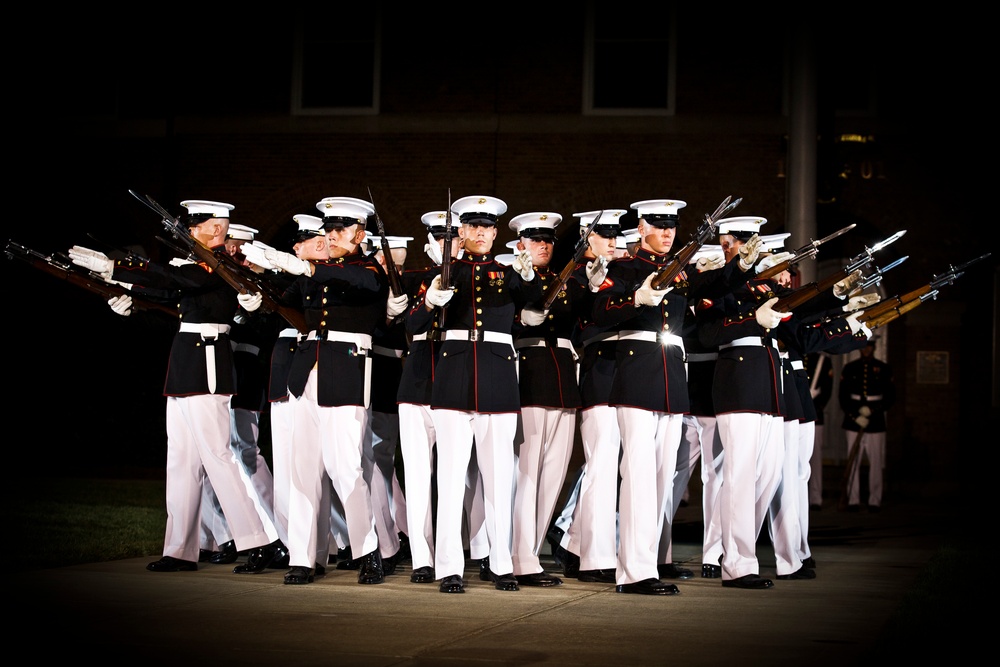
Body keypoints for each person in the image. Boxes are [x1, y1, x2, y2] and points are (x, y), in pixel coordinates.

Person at [68, 199, 285, 573]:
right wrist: (120, 289)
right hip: (185, 368)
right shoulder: (195, 267)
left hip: (207, 367)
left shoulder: (220, 267)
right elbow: (166, 293)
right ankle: (181, 548)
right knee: (182, 460)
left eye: (196, 226)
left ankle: (262, 539)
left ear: (213, 230)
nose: (190, 232)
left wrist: (117, 266)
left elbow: (179, 280)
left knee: (218, 456)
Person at [592, 198, 749, 595]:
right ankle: (633, 572)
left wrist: (740, 266)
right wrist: (636, 299)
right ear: (641, 227)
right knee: (639, 476)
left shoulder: (679, 271)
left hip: (671, 376)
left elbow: (713, 286)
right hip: (637, 374)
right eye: (659, 225)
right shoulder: (624, 268)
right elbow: (601, 311)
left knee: (662, 480)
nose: (666, 233)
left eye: (672, 226)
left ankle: (650, 563)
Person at [408, 194, 541, 594]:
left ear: (496, 234)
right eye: (473, 227)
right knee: (450, 477)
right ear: (461, 232)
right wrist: (431, 299)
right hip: (454, 375)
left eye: (487, 227)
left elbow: (536, 305)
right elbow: (413, 324)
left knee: (500, 479)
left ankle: (501, 564)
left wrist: (528, 276)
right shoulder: (448, 272)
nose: (481, 233)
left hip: (497, 376)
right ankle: (449, 566)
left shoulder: (508, 271)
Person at [261, 195, 388, 586]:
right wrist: (253, 295)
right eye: (328, 229)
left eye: (340, 230)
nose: (331, 236)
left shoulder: (368, 269)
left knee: (345, 467)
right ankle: (304, 557)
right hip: (306, 370)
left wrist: (307, 267)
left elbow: (358, 282)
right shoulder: (315, 272)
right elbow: (282, 303)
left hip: (346, 369)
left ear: (359, 234)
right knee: (303, 470)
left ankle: (367, 550)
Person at [508, 211, 595, 588]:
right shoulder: (510, 278)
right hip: (530, 376)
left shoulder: (569, 281)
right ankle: (519, 556)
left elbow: (588, 318)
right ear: (520, 244)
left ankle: (531, 551)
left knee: (553, 475)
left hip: (563, 379)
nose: (543, 246)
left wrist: (594, 284)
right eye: (535, 239)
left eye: (547, 240)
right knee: (527, 474)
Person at [551, 208, 623, 584]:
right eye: (603, 234)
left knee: (608, 465)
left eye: (614, 235)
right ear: (585, 237)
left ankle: (573, 542)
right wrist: (591, 288)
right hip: (599, 369)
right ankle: (593, 556)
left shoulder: (620, 271)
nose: (612, 241)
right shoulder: (575, 276)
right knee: (601, 464)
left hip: (626, 370)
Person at [839, 338, 895, 512]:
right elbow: (843, 396)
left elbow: (890, 396)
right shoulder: (850, 368)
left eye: (869, 346)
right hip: (853, 418)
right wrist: (854, 415)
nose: (866, 350)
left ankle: (874, 500)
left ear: (874, 348)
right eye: (863, 347)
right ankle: (853, 499)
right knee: (853, 460)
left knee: (876, 461)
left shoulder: (883, 368)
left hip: (875, 419)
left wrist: (873, 411)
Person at [807, 351, 834, 511]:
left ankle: (815, 498)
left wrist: (817, 407)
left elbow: (827, 390)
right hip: (795, 416)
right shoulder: (794, 355)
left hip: (815, 414)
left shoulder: (822, 360)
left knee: (815, 459)